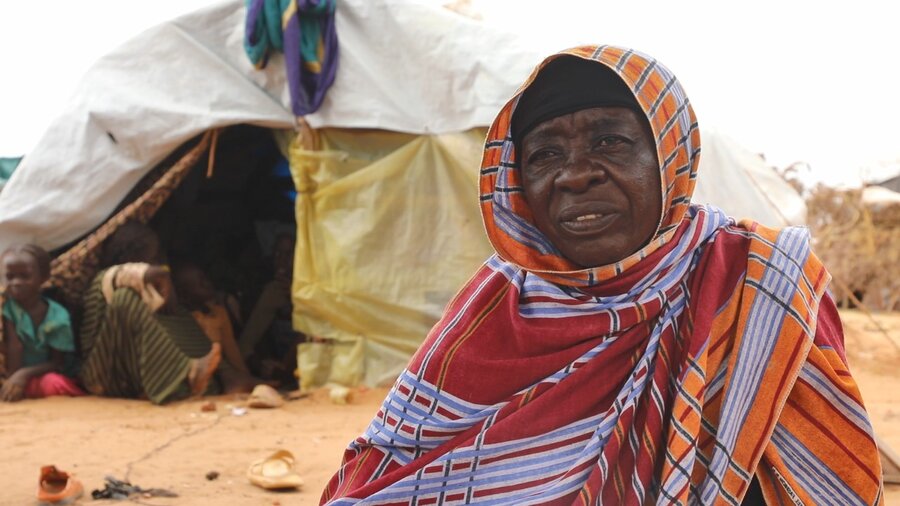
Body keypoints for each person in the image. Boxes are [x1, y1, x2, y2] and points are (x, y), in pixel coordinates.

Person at [320, 46, 883, 505]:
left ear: (670, 156)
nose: (576, 175)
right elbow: (387, 466)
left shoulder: (756, 279)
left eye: (610, 141)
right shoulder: (498, 302)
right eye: (543, 155)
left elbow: (819, 473)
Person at [78, 221, 222, 404]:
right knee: (124, 299)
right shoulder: (101, 284)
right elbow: (118, 276)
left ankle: (187, 379)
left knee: (175, 315)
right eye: (152, 258)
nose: (158, 264)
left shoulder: (153, 295)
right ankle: (186, 374)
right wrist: (155, 274)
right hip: (102, 376)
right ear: (130, 257)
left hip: (130, 379)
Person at [0, 244, 84, 401]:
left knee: (54, 384)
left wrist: (22, 375)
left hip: (41, 375)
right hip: (11, 374)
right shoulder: (5, 307)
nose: (16, 283)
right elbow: (14, 346)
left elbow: (58, 362)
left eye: (25, 276)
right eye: (10, 277)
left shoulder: (57, 317)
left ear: (43, 277)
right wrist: (12, 380)